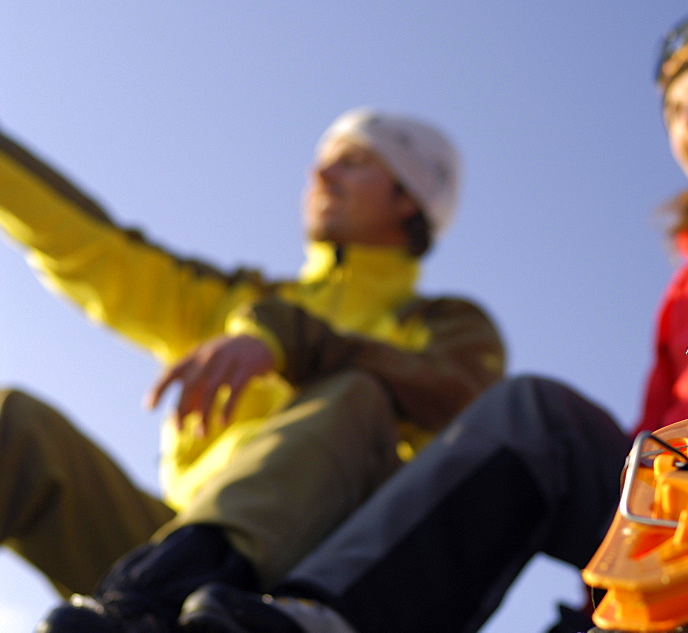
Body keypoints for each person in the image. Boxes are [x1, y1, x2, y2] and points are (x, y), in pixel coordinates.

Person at [45, 11, 688, 633]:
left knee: (532, 412)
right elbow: (656, 437)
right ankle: (314, 616)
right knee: (563, 427)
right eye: (675, 109)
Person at [0, 108, 505, 628]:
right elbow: (94, 250)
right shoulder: (238, 302)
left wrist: (288, 341)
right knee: (13, 425)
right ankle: (154, 597)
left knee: (357, 394)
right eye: (323, 163)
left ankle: (160, 600)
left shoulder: (443, 324)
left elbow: (462, 399)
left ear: (408, 199)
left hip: (314, 586)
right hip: (157, 561)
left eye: (352, 163)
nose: (320, 176)